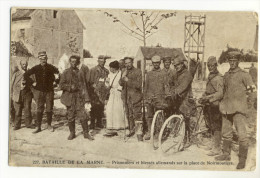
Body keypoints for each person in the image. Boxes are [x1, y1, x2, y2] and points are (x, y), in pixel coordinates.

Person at [215, 51, 256, 169]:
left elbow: (252, 90)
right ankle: (226, 154)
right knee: (226, 133)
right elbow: (223, 91)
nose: (232, 63)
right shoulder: (226, 75)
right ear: (228, 61)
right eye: (230, 61)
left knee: (242, 135)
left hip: (239, 109)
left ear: (238, 61)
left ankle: (242, 159)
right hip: (226, 109)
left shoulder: (244, 75)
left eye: (234, 61)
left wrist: (249, 104)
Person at [24, 51, 60, 133]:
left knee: (49, 109)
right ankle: (38, 127)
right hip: (39, 92)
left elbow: (59, 73)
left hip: (49, 91)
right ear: (39, 59)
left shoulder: (51, 67)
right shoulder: (36, 68)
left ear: (47, 59)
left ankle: (49, 125)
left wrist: (56, 81)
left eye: (44, 58)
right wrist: (32, 83)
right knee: (39, 109)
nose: (43, 60)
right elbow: (25, 75)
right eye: (41, 59)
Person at [59, 55, 94, 140]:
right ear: (69, 62)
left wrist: (86, 98)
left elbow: (84, 86)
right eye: (72, 61)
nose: (73, 63)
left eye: (75, 62)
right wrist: (70, 87)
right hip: (70, 97)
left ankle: (86, 133)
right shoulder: (65, 72)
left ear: (78, 62)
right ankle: (72, 133)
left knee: (83, 116)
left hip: (79, 98)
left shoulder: (81, 73)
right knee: (70, 116)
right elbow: (61, 85)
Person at [199, 56, 223, 156]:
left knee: (216, 127)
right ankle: (213, 144)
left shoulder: (219, 78)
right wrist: (203, 96)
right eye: (209, 66)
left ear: (216, 65)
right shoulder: (210, 76)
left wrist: (208, 98)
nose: (210, 67)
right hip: (209, 105)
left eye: (212, 66)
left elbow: (220, 93)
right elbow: (208, 90)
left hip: (215, 106)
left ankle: (217, 148)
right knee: (210, 125)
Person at [144, 55, 170, 140]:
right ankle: (149, 131)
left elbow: (166, 86)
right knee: (149, 116)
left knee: (159, 116)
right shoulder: (149, 74)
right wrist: (145, 97)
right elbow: (146, 86)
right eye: (154, 63)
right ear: (152, 63)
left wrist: (166, 96)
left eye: (157, 63)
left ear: (159, 63)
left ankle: (159, 132)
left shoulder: (163, 73)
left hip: (160, 98)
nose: (156, 64)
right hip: (150, 98)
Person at [171, 56, 194, 148]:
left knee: (186, 119)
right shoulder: (176, 74)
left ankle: (187, 139)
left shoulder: (187, 74)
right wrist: (170, 90)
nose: (177, 67)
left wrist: (175, 92)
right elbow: (172, 83)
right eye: (175, 65)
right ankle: (181, 135)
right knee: (180, 118)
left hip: (186, 100)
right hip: (178, 99)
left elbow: (183, 87)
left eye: (178, 65)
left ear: (182, 64)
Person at [119, 57, 143, 141]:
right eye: (126, 63)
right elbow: (121, 83)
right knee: (129, 114)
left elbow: (138, 85)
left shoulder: (138, 71)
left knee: (137, 114)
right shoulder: (124, 71)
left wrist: (127, 80)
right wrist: (123, 76)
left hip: (136, 97)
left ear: (132, 62)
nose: (127, 64)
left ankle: (139, 132)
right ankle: (131, 129)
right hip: (126, 97)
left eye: (129, 62)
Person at [11, 58, 34, 130]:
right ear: (20, 65)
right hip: (18, 93)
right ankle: (17, 125)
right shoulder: (16, 74)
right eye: (23, 64)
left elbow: (33, 83)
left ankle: (28, 124)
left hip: (27, 94)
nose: (25, 65)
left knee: (27, 109)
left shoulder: (30, 73)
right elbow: (11, 84)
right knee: (18, 110)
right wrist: (12, 93)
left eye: (26, 64)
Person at [105, 61, 128, 132]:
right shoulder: (109, 75)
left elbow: (123, 83)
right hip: (112, 93)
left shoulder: (120, 74)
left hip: (118, 92)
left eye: (111, 67)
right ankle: (111, 125)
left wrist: (119, 89)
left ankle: (119, 125)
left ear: (114, 68)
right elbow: (107, 85)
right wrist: (107, 84)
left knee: (118, 108)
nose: (110, 69)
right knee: (110, 108)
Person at [88, 55, 109, 129]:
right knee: (94, 108)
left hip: (102, 93)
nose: (102, 63)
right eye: (101, 61)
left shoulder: (106, 71)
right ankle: (92, 123)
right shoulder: (92, 70)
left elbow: (107, 81)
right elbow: (89, 82)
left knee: (101, 108)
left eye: (104, 61)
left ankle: (99, 123)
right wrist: (93, 87)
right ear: (98, 61)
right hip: (94, 92)